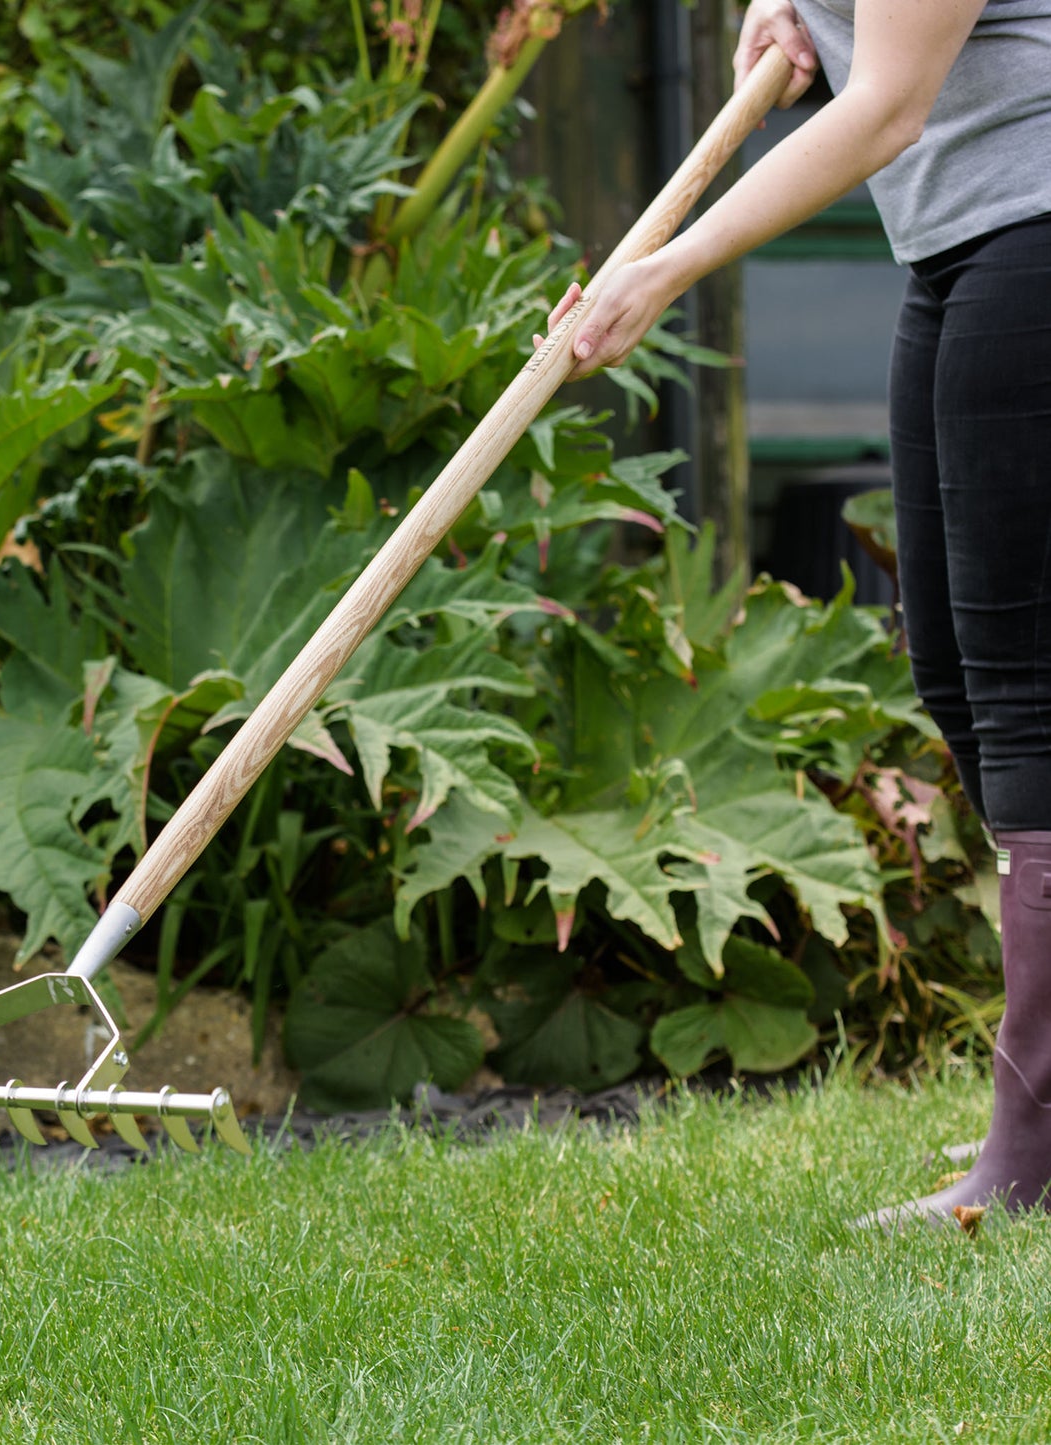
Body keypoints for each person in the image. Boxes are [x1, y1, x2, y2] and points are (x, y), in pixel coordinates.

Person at [538, 0, 1051, 1225]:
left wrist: (663, 268)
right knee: (953, 679)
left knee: (1029, 704)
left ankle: (1027, 1155)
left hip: (1031, 227)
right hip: (957, 238)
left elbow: (887, 104)